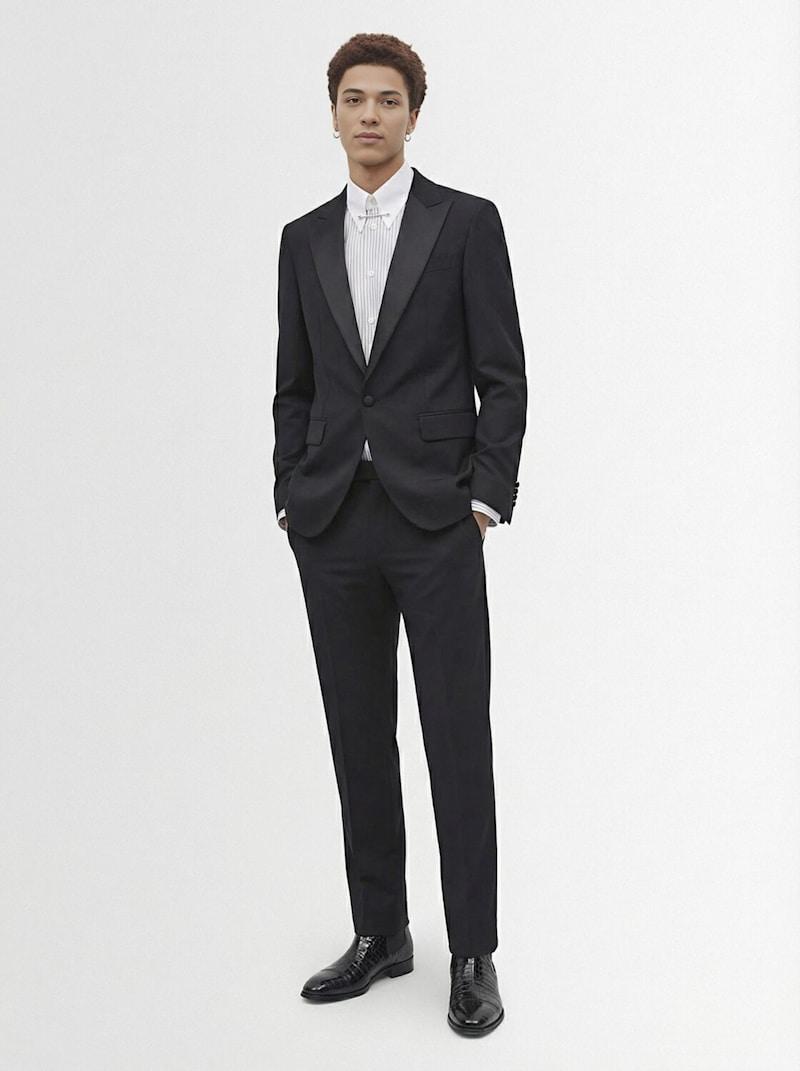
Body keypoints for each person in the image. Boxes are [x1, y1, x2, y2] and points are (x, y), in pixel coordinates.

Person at [272, 32, 526, 1036]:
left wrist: (484, 498)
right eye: (353, 98)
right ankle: (381, 932)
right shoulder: (301, 239)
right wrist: (290, 494)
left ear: (412, 115)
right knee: (358, 737)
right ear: (333, 114)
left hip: (436, 522)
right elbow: (294, 382)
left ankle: (472, 952)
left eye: (386, 99)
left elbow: (502, 374)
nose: (369, 114)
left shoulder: (465, 224)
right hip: (333, 521)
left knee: (457, 738)